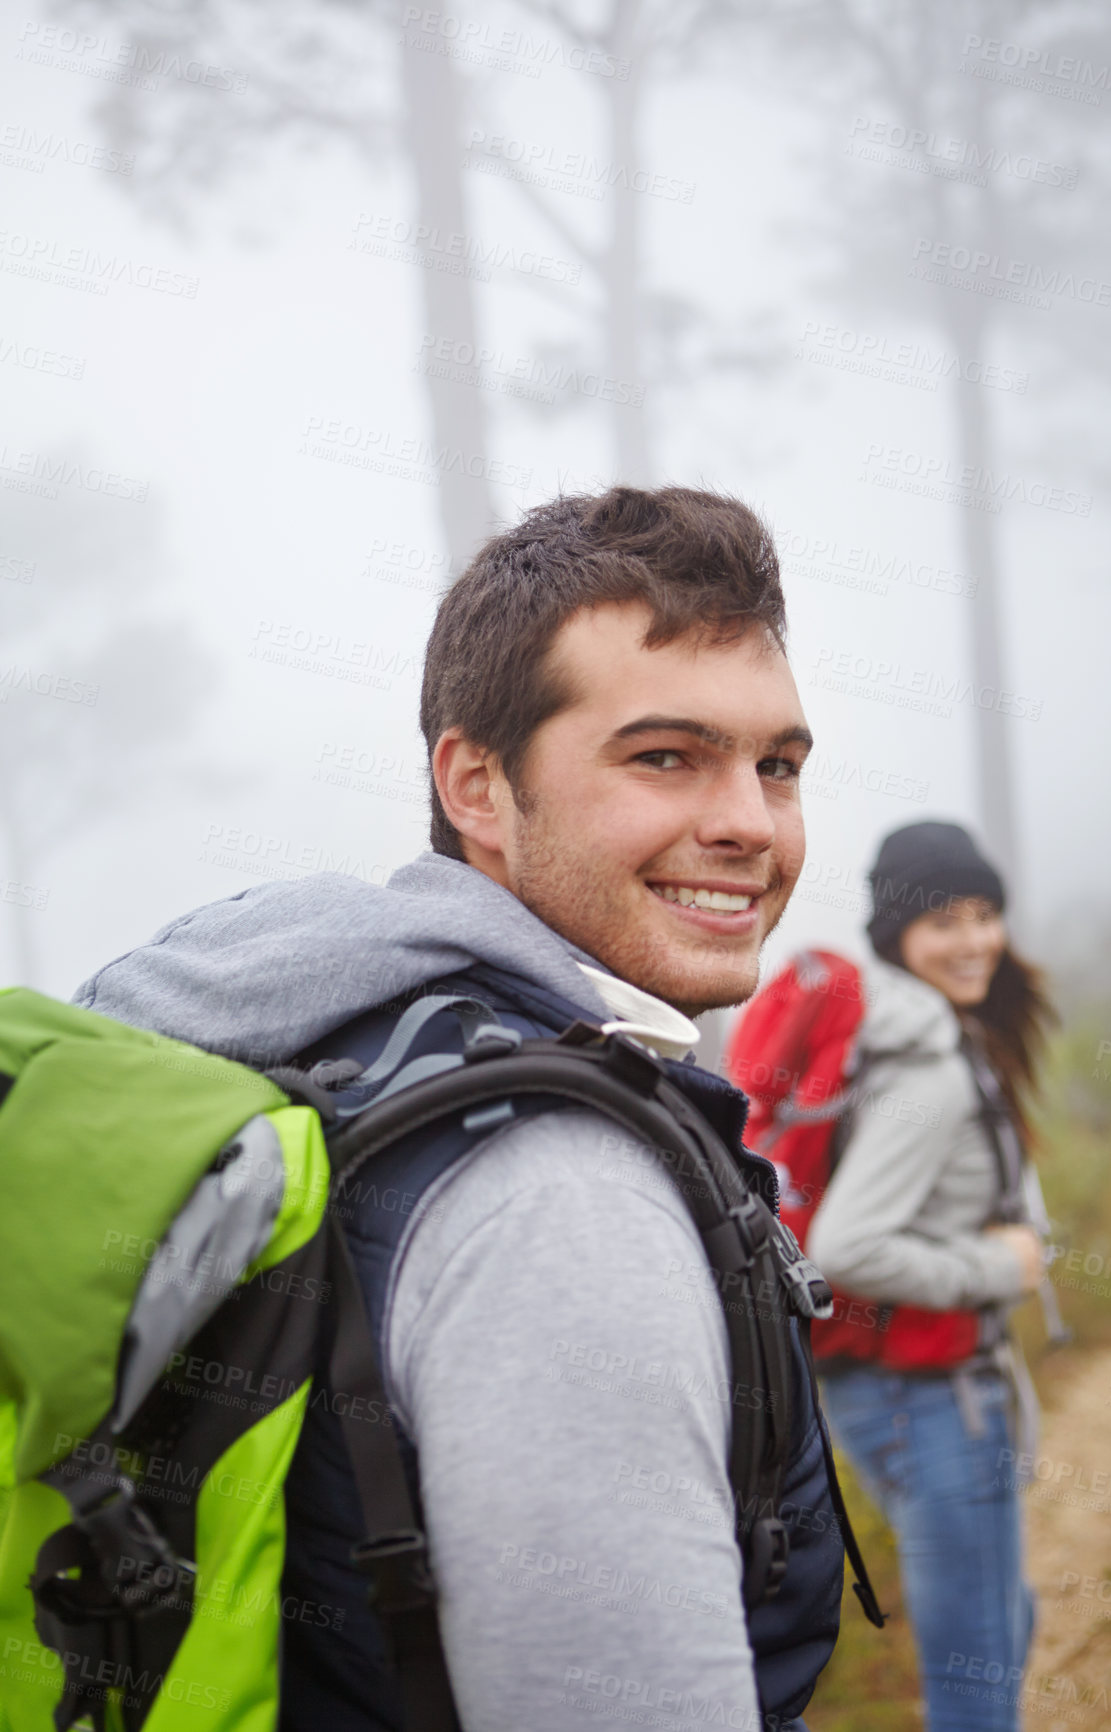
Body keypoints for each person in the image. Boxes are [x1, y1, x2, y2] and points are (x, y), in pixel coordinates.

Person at [75, 486, 846, 1732]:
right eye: (665, 756)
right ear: (475, 787)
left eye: (777, 765)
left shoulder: (335, 1032)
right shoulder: (563, 1199)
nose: (748, 825)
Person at [806, 820, 1056, 1732]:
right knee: (975, 1681)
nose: (975, 940)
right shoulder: (929, 1067)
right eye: (944, 921)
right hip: (931, 1399)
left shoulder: (921, 1036)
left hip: (899, 1391)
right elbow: (847, 1245)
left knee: (1000, 1629)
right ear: (897, 937)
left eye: (985, 914)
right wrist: (1000, 1264)